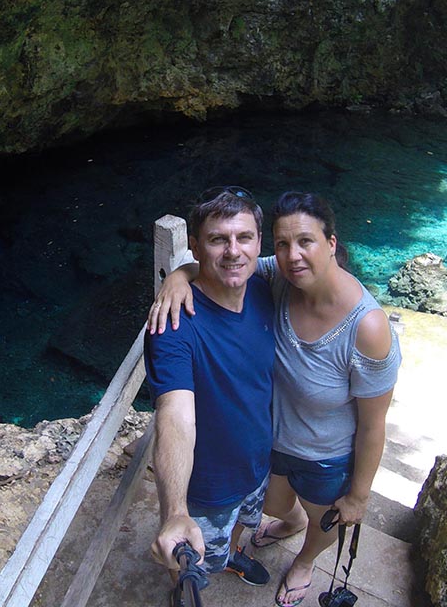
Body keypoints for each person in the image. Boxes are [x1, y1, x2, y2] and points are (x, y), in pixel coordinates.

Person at [149, 191, 398, 607]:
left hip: (298, 459)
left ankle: (270, 557)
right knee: (203, 557)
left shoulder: (346, 319)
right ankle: (200, 576)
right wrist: (177, 275)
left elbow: (375, 424)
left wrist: (359, 495)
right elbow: (175, 414)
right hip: (243, 466)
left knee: (283, 520)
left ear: (332, 243)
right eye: (283, 244)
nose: (293, 255)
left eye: (244, 238)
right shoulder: (196, 314)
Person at [145, 186, 276, 593]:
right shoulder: (175, 326)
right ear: (196, 248)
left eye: (244, 238)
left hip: (258, 464)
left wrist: (180, 274)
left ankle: (234, 553)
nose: (233, 251)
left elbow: (316, 261)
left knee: (241, 525)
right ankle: (183, 593)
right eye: (218, 239)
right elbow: (175, 416)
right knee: (190, 563)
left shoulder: (263, 285)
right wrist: (175, 511)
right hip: (208, 486)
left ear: (259, 244)